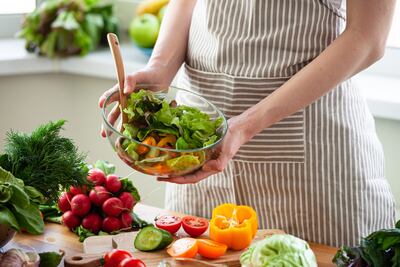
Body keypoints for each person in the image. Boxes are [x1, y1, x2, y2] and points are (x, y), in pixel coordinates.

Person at [99, 0, 397, 247]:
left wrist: (245, 125)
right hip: (201, 147)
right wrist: (160, 68)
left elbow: (367, 38)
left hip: (311, 160)